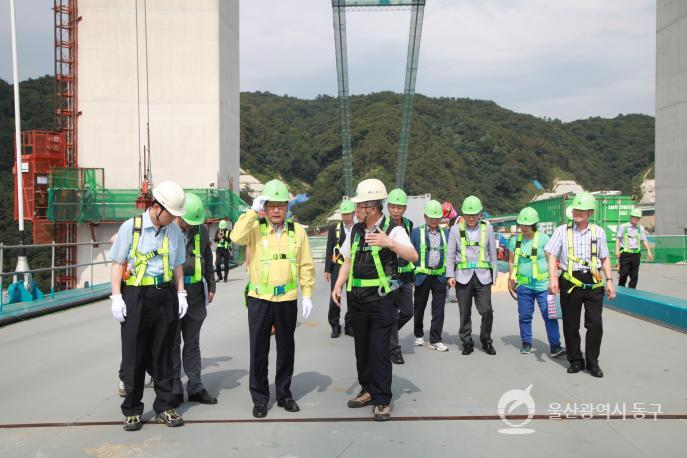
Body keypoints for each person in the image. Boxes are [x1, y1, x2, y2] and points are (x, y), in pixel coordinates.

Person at [331, 178, 418, 421]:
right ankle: (367, 389)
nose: (356, 210)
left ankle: (382, 399)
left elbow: (413, 255)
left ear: (373, 207)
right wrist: (338, 285)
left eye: (360, 206)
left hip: (381, 301)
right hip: (357, 299)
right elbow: (346, 260)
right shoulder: (357, 231)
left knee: (380, 350)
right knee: (362, 350)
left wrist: (389, 243)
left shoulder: (394, 229)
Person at [231, 179, 315, 418]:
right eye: (271, 205)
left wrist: (306, 294)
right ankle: (259, 398)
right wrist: (251, 211)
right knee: (259, 349)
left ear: (287, 208)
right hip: (259, 298)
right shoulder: (255, 228)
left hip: (287, 299)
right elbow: (236, 237)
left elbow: (306, 265)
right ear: (264, 208)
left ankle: (284, 394)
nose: (276, 210)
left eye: (281, 205)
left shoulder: (297, 232)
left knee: (286, 349)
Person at [108, 180, 188, 431]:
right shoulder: (130, 228)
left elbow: (177, 265)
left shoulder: (173, 231)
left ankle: (165, 406)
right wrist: (116, 296)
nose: (174, 218)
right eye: (171, 213)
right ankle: (132, 410)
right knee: (134, 353)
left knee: (163, 352)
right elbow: (117, 263)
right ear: (156, 207)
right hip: (136, 296)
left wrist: (181, 292)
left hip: (164, 295)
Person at [545, 192, 616, 378]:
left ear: (590, 213)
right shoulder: (562, 231)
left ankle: (593, 363)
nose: (578, 213)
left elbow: (605, 257)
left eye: (582, 210)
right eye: (576, 209)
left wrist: (609, 281)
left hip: (593, 282)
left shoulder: (598, 232)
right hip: (570, 281)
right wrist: (553, 278)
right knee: (570, 324)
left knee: (595, 324)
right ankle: (575, 361)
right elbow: (551, 253)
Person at [171, 193, 218, 407]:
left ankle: (195, 386)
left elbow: (207, 258)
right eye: (188, 221)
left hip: (196, 293)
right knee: (172, 343)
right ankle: (173, 388)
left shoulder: (201, 229)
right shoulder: (168, 229)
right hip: (171, 293)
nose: (191, 226)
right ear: (179, 216)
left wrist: (212, 284)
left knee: (192, 342)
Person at [508, 207, 565, 357]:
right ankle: (526, 343)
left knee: (549, 315)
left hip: (543, 285)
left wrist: (554, 279)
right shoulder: (515, 241)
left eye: (527, 225)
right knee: (525, 316)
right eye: (522, 225)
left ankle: (555, 346)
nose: (524, 228)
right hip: (524, 285)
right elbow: (511, 261)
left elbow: (551, 260)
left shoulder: (544, 239)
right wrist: (511, 278)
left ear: (534, 224)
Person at [446, 195, 498, 355]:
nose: (470, 217)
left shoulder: (487, 228)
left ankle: (486, 340)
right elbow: (450, 254)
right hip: (462, 276)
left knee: (487, 310)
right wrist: (450, 275)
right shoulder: (455, 230)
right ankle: (466, 341)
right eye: (468, 214)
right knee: (464, 311)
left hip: (483, 276)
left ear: (480, 214)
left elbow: (492, 253)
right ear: (463, 214)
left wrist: (494, 275)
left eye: (474, 214)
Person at [412, 200, 450, 352]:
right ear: (425, 217)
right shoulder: (416, 233)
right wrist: (411, 275)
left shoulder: (446, 233)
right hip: (422, 275)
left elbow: (451, 254)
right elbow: (410, 253)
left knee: (439, 308)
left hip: (439, 276)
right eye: (431, 217)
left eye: (437, 217)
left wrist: (449, 275)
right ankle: (419, 334)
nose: (434, 220)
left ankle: (436, 339)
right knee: (419, 306)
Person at [384, 188, 415, 365]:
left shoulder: (409, 224)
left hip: (406, 274)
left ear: (404, 208)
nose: (396, 210)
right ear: (388, 207)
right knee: (391, 310)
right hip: (391, 274)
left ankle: (387, 334)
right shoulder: (384, 225)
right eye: (393, 207)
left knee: (408, 311)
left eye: (399, 207)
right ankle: (395, 350)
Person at [325, 199, 356, 338]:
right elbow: (329, 249)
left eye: (348, 214)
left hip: (354, 267)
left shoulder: (359, 228)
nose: (346, 217)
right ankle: (335, 325)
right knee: (335, 295)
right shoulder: (334, 228)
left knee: (352, 297)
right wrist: (327, 269)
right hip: (338, 266)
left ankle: (350, 325)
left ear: (353, 213)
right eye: (343, 214)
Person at [615, 208, 653, 288]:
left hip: (636, 254)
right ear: (631, 217)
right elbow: (618, 239)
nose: (635, 219)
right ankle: (621, 290)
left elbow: (644, 240)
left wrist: (649, 251)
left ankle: (632, 292)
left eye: (637, 218)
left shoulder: (640, 228)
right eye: (634, 217)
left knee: (634, 276)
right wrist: (617, 251)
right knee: (623, 273)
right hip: (625, 254)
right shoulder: (623, 227)